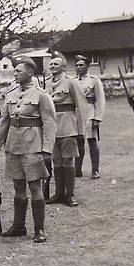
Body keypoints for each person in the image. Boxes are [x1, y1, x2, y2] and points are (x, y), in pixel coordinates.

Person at [0, 55, 56, 243]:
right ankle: (18, 226)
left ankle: (39, 229)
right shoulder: (11, 94)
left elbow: (50, 123)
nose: (15, 73)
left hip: (32, 146)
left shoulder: (41, 94)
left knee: (35, 187)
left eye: (19, 70)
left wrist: (47, 149)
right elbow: (5, 120)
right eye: (15, 70)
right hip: (13, 146)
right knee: (18, 186)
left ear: (30, 72)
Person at [44, 53, 86, 207]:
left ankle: (70, 194)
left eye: (55, 64)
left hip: (68, 126)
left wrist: (81, 130)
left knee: (68, 161)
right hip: (52, 128)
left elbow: (81, 106)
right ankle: (59, 193)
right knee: (56, 161)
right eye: (51, 64)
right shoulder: (47, 84)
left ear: (63, 67)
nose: (52, 66)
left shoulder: (70, 83)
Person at [74, 55, 105, 179]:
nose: (78, 67)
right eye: (77, 65)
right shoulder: (73, 81)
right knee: (78, 142)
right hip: (76, 114)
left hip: (89, 112)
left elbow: (101, 100)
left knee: (92, 141)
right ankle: (77, 169)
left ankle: (95, 170)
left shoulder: (94, 80)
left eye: (81, 65)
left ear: (87, 66)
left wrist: (98, 117)